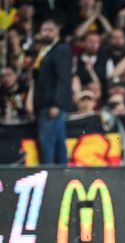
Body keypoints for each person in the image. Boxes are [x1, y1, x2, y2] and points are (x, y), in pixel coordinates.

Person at [33, 19, 72, 165]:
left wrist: (57, 103)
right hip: (45, 103)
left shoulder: (61, 49)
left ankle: (49, 175)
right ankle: (61, 174)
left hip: (52, 104)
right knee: (58, 141)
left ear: (57, 31)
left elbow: (63, 78)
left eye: (50, 29)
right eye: (44, 30)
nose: (47, 33)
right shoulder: (45, 50)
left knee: (47, 142)